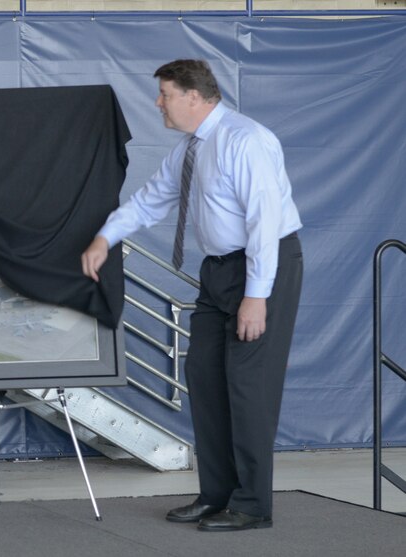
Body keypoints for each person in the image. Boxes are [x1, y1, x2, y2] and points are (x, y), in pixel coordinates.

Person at [81, 60, 303, 532]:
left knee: (248, 387)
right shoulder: (190, 150)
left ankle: (252, 505)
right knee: (203, 376)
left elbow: (264, 223)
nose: (157, 103)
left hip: (262, 267)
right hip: (219, 271)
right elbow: (149, 200)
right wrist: (105, 238)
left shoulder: (247, 141)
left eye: (164, 94)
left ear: (195, 97)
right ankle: (217, 494)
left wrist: (256, 296)